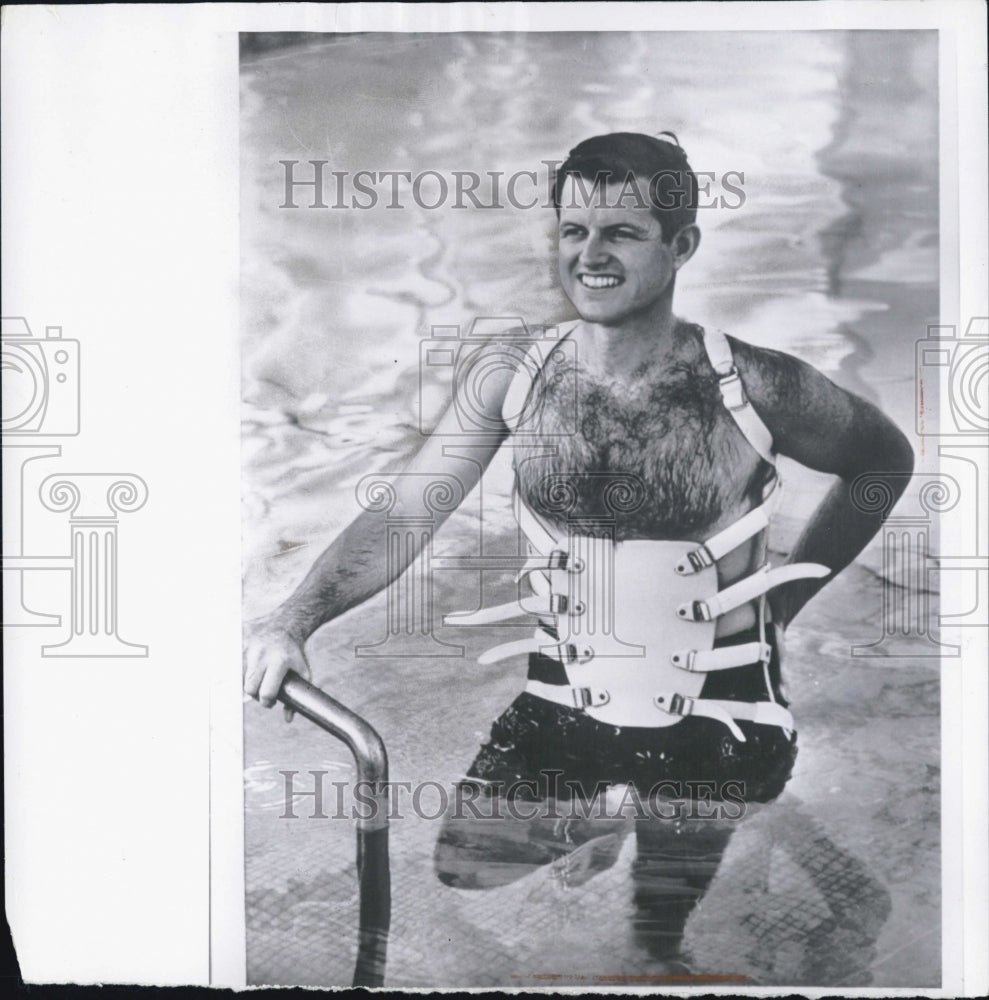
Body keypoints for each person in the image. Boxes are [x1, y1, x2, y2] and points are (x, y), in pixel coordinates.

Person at [243, 132, 913, 961]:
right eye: (573, 231)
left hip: (719, 716)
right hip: (568, 697)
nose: (589, 255)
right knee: (465, 864)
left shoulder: (755, 387)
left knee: (652, 942)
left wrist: (787, 597)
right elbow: (406, 514)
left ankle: (715, 838)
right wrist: (293, 618)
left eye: (622, 233)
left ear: (680, 247)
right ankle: (606, 810)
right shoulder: (513, 379)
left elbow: (883, 462)